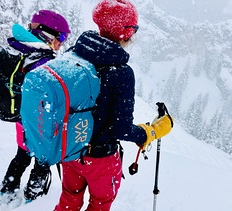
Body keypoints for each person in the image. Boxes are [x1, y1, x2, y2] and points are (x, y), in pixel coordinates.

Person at [54, 0, 173, 210]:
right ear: (125, 32)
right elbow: (121, 128)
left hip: (71, 148)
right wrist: (148, 133)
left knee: (69, 199)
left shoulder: (75, 53)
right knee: (100, 204)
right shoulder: (121, 72)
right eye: (133, 29)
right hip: (100, 159)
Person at [0, 10, 70, 204]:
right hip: (39, 123)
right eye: (61, 37)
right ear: (46, 33)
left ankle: (7, 191)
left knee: (21, 156)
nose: (62, 42)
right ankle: (33, 199)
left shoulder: (24, 49)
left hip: (22, 121)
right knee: (42, 162)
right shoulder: (44, 60)